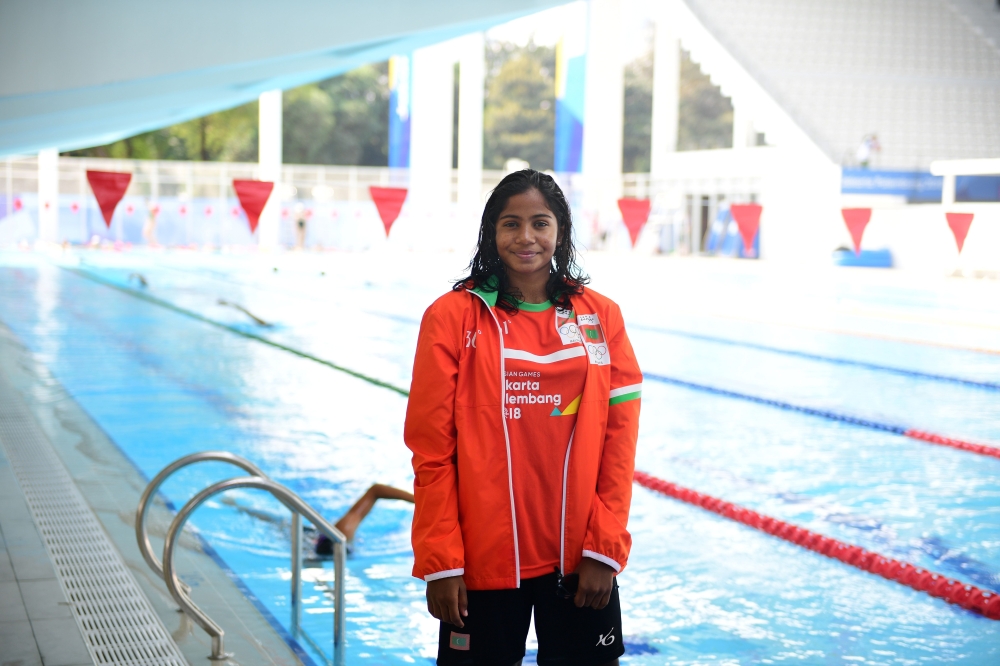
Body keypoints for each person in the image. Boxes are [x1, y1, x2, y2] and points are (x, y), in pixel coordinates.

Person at [404, 170, 642, 666]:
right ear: (492, 232)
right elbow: (431, 450)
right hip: (481, 561)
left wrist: (604, 549)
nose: (526, 237)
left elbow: (619, 444)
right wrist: (442, 562)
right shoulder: (451, 317)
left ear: (561, 231)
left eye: (540, 223)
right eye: (511, 224)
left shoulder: (599, 317)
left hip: (578, 558)